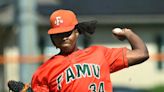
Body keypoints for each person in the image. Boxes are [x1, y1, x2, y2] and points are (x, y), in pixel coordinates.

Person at [8, 9, 149, 92]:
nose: (63, 38)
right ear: (51, 38)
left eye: (67, 33)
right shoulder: (44, 71)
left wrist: (128, 33)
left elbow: (142, 53)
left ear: (77, 32)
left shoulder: (99, 54)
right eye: (58, 34)